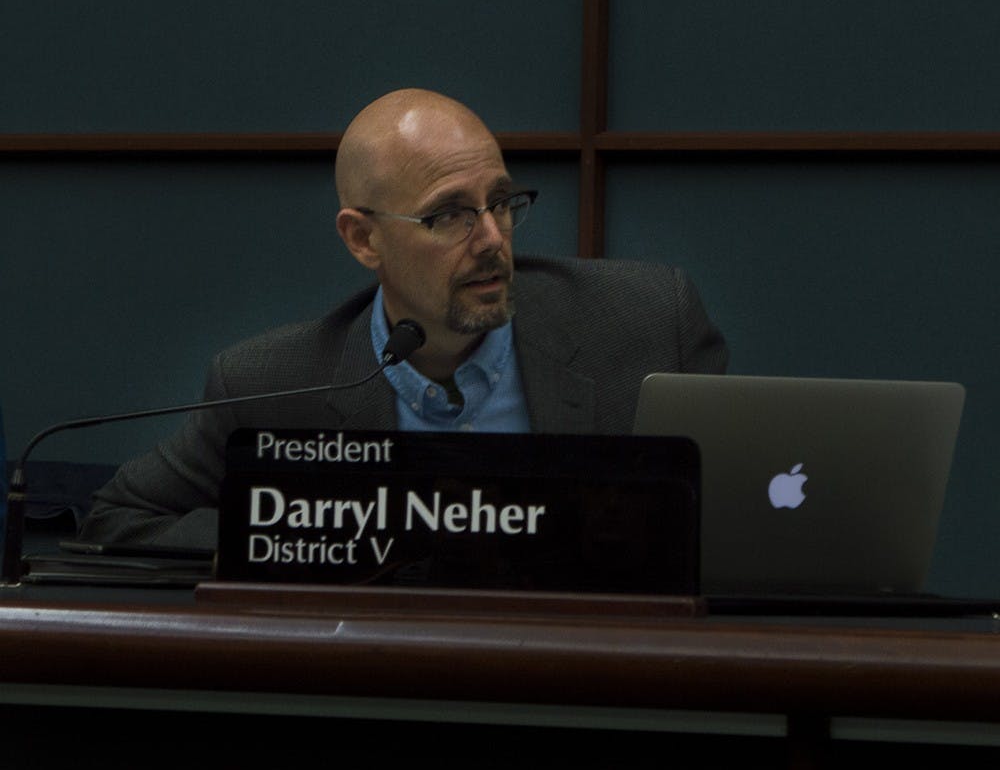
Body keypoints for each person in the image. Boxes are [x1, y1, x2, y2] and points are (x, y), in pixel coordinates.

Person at [79, 88, 728, 548]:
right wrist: (284, 534)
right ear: (363, 240)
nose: (492, 241)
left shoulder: (645, 326)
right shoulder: (272, 384)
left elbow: (737, 525)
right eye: (449, 214)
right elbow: (122, 516)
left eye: (499, 203)